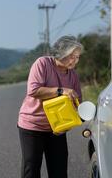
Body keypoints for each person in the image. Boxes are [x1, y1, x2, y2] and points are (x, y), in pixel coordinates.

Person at [17, 35, 84, 178]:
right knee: (31, 170)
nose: (75, 60)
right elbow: (34, 90)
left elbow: (77, 103)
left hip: (57, 129)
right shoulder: (42, 64)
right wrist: (61, 90)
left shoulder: (73, 76)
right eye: (72, 56)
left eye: (77, 57)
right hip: (32, 125)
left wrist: (71, 122)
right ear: (61, 52)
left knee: (59, 171)